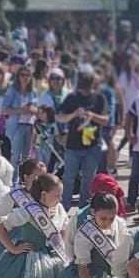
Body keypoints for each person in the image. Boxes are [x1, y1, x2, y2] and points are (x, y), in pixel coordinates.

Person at [57, 69, 110, 210]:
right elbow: (60, 117)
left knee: (88, 178)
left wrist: (93, 116)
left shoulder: (99, 98)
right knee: (68, 178)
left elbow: (105, 120)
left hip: (92, 145)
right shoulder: (72, 98)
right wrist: (74, 114)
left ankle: (83, 208)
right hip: (73, 145)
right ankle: (64, 207)